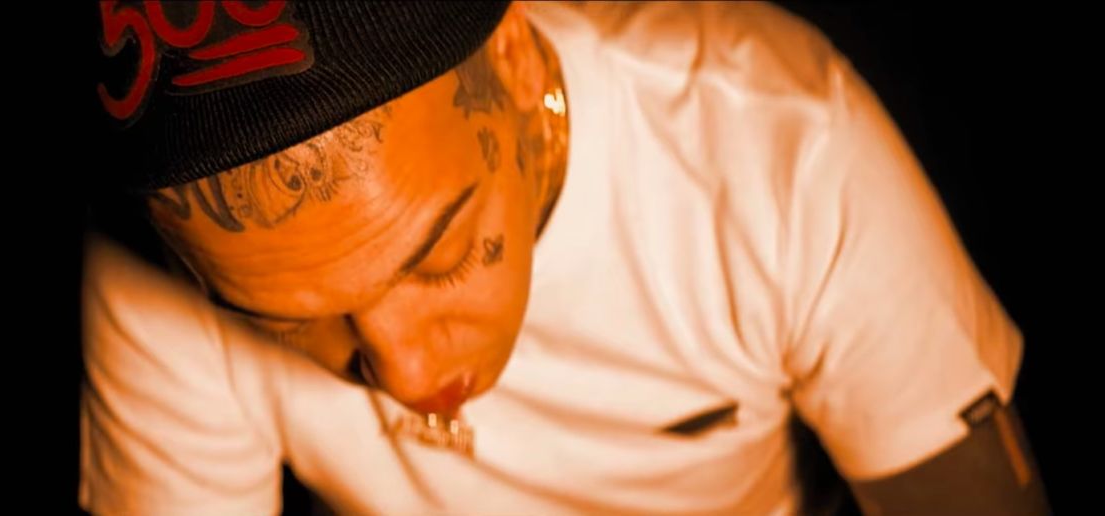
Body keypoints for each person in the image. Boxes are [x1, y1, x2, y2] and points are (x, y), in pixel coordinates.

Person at [82, 1, 1049, 514]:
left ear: (512, 56)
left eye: (438, 255)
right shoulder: (151, 279)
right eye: (287, 321)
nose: (407, 377)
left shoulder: (775, 151)